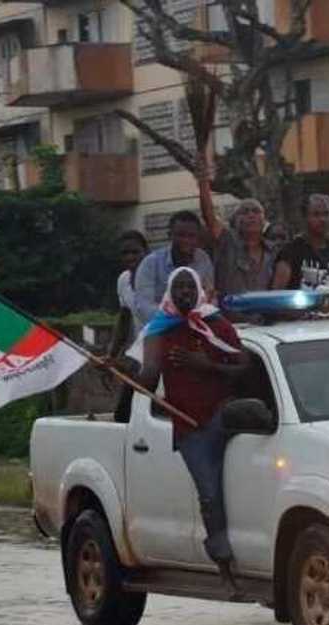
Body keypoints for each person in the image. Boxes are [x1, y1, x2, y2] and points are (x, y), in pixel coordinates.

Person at [136, 267, 250, 594]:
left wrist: (206, 365)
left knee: (239, 488)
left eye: (189, 286)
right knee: (210, 494)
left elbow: (244, 366)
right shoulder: (159, 330)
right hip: (190, 427)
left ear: (198, 290)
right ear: (170, 293)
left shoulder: (216, 324)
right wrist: (117, 371)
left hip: (224, 420)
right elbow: (147, 377)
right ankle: (223, 563)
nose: (185, 292)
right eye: (179, 287)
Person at [133, 211, 215, 327]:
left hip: (197, 328)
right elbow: (144, 306)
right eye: (181, 235)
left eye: (191, 236)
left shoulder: (203, 259)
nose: (186, 240)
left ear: (198, 237)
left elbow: (209, 298)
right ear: (169, 235)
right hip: (159, 332)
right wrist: (175, 322)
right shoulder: (150, 263)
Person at [107, 230, 148, 423]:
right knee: (124, 415)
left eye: (135, 252)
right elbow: (124, 318)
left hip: (161, 356)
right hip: (139, 358)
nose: (130, 257)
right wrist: (112, 354)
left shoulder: (156, 280)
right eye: (125, 253)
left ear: (145, 252)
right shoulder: (123, 280)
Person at [213, 198, 278, 298]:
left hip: (269, 311)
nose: (251, 215)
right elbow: (209, 218)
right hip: (233, 311)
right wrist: (204, 183)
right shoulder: (227, 243)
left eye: (256, 211)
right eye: (244, 212)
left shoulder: (275, 250)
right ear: (234, 220)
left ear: (264, 220)